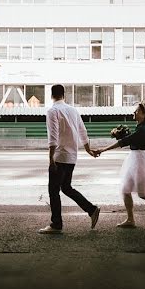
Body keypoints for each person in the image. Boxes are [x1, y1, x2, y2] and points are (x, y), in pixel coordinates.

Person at [94, 102, 145, 228]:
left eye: (137, 111)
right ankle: (130, 220)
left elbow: (124, 142)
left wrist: (102, 150)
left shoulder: (143, 129)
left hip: (140, 162)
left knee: (144, 194)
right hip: (134, 160)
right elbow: (129, 139)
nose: (134, 112)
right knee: (126, 190)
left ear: (143, 114)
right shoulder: (141, 127)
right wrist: (121, 134)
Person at [38, 84, 101, 234]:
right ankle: (91, 209)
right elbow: (82, 130)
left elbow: (53, 136)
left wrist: (51, 159)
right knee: (66, 187)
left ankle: (56, 224)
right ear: (63, 95)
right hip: (72, 156)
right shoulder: (73, 110)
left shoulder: (53, 111)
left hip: (60, 156)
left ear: (51, 95)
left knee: (54, 191)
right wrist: (88, 150)